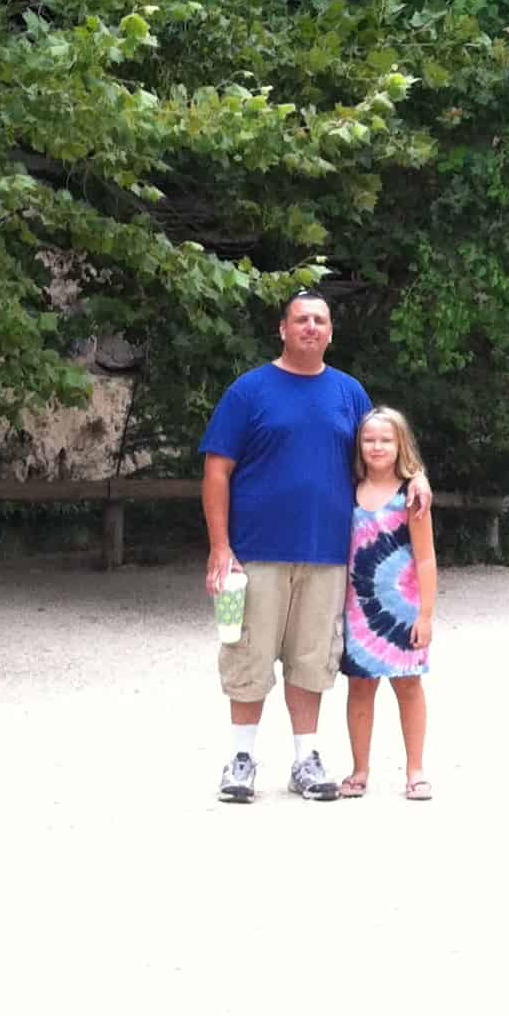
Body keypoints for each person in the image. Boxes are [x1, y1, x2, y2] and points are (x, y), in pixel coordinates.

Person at [200, 290, 374, 804]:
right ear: (283, 329)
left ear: (331, 332)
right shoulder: (250, 391)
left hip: (327, 552)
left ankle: (305, 758)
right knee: (248, 653)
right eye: (301, 319)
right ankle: (241, 759)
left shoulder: (348, 393)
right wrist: (218, 546)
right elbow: (217, 470)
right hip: (255, 552)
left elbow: (378, 458)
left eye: (320, 320)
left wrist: (418, 481)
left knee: (312, 658)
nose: (311, 327)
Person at [338, 406, 439, 801]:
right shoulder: (347, 489)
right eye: (369, 440)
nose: (377, 447)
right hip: (358, 609)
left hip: (403, 609)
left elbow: (426, 557)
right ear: (358, 446)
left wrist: (426, 615)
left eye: (385, 440)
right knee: (360, 689)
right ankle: (359, 768)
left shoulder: (411, 495)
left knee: (409, 687)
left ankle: (415, 770)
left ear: (401, 445)